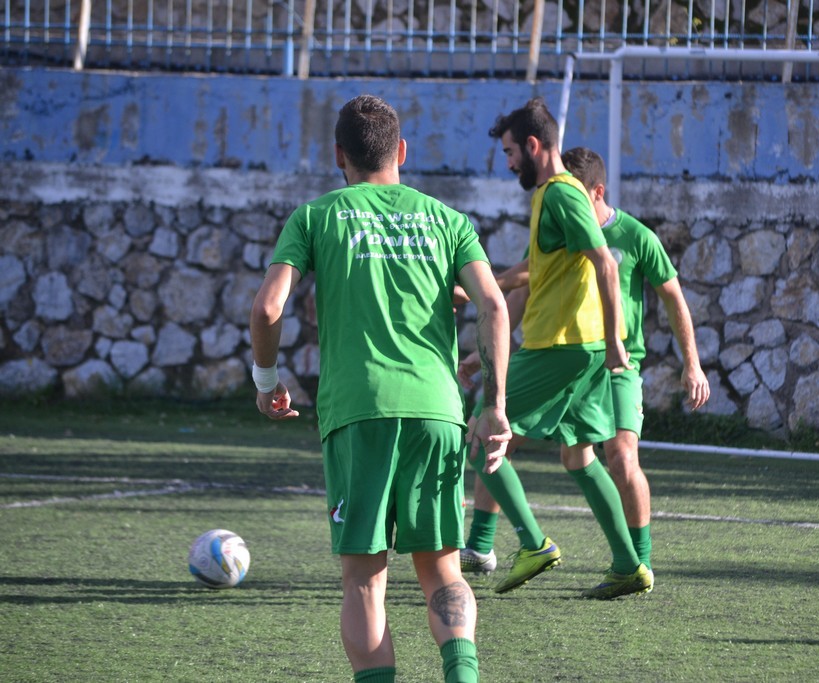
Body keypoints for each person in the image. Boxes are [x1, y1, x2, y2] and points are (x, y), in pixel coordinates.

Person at [249, 94, 511, 683]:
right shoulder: (447, 220)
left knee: (364, 581)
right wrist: (495, 406)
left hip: (358, 411)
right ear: (402, 152)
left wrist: (267, 381)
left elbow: (267, 308)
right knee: (443, 571)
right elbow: (493, 305)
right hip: (438, 411)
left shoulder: (316, 216)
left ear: (338, 155)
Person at [460, 147, 710, 577]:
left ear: (597, 192)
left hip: (618, 363)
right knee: (506, 440)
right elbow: (525, 284)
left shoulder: (635, 236)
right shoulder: (561, 221)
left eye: (578, 196)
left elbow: (673, 297)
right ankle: (481, 547)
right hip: (568, 359)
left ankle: (638, 561)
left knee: (620, 456)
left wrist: (693, 364)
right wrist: (484, 317)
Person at [460, 97, 653, 600]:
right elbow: (535, 272)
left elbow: (606, 263)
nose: (508, 164)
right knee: (579, 456)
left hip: (562, 347)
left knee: (481, 436)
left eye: (509, 153)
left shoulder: (561, 193)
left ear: (532, 145)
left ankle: (533, 544)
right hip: (579, 349)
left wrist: (615, 341)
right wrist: (478, 290)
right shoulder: (553, 195)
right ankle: (628, 565)